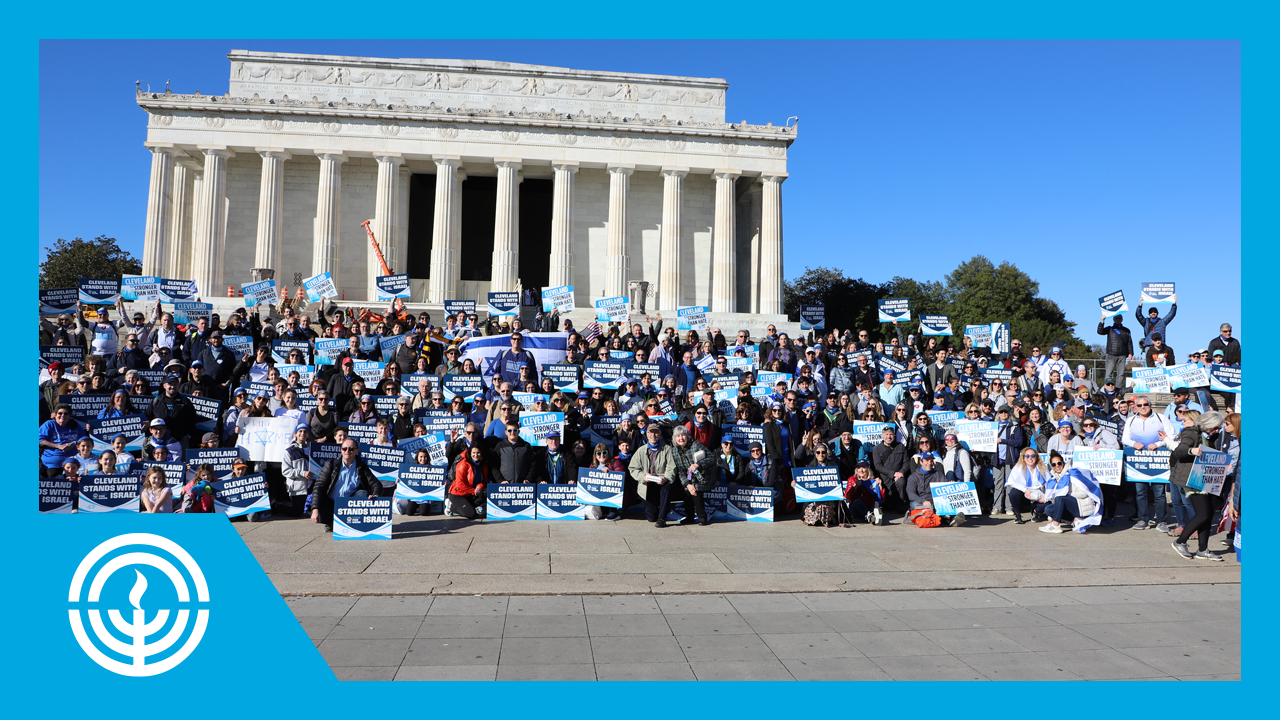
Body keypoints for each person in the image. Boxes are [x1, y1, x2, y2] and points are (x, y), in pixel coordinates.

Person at [1169, 410, 1224, 562]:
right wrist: (1190, 450)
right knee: (1203, 514)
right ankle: (1180, 541)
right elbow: (1179, 451)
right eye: (1216, 427)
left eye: (1219, 428)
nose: (1217, 430)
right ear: (1208, 424)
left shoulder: (1211, 436)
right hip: (1192, 478)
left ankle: (1202, 549)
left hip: (1207, 478)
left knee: (1209, 514)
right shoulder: (1191, 433)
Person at [1121, 393, 1177, 531]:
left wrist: (1158, 444)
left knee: (1159, 493)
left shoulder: (1161, 418)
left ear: (1150, 405)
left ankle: (1161, 521)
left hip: (1157, 460)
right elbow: (1124, 439)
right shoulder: (1131, 420)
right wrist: (1134, 443)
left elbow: (1172, 435)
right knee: (1140, 492)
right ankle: (1143, 519)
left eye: (1145, 404)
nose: (1143, 407)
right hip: (1139, 461)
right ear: (1136, 407)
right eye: (1139, 405)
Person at [309, 438, 383, 532]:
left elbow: (376, 484)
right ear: (341, 450)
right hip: (331, 501)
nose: (347, 451)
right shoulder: (331, 464)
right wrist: (315, 509)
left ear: (357, 451)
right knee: (322, 515)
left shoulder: (362, 466)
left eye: (351, 449)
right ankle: (331, 522)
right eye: (344, 448)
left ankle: (351, 523)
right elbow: (318, 486)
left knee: (363, 494)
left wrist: (375, 495)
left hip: (350, 503)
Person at [630, 423, 679, 527]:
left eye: (656, 432)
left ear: (660, 434)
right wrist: (642, 476)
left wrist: (665, 477)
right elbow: (633, 468)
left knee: (668, 486)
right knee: (651, 518)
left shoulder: (667, 449)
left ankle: (662, 518)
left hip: (662, 482)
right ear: (647, 434)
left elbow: (672, 467)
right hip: (647, 484)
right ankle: (659, 511)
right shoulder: (641, 450)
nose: (653, 435)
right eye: (651, 432)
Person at [1038, 459, 1104, 534]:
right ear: (1051, 467)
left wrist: (1067, 495)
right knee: (1048, 509)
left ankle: (1056, 525)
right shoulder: (1054, 479)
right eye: (1054, 465)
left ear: (1063, 463)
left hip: (1082, 506)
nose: (1057, 466)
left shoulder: (1073, 474)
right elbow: (1055, 501)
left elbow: (1084, 493)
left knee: (1061, 497)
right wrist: (1050, 518)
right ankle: (1075, 519)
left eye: (1059, 463)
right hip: (1072, 507)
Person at [906, 452, 965, 527]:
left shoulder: (938, 474)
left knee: (949, 502)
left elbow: (945, 487)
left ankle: (951, 518)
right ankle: (937, 518)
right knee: (915, 505)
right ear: (921, 462)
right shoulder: (913, 477)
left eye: (931, 461)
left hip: (936, 502)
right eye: (927, 460)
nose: (929, 463)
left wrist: (951, 485)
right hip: (920, 502)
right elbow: (911, 494)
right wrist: (923, 501)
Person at [39, 403, 87, 477]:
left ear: (70, 416)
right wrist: (58, 446)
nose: (63, 415)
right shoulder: (49, 424)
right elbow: (40, 441)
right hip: (53, 464)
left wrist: (74, 443)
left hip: (73, 463)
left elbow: (84, 440)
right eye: (60, 413)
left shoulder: (75, 425)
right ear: (55, 415)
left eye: (66, 413)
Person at [448, 444, 489, 520]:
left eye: (478, 452)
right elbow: (460, 484)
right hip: (458, 494)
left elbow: (484, 481)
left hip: (470, 494)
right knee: (472, 514)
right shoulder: (463, 464)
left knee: (487, 492)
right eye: (473, 452)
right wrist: (474, 491)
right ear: (470, 453)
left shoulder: (483, 465)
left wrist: (480, 486)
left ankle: (467, 507)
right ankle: (451, 506)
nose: (476, 455)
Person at [1096, 314, 1134, 383]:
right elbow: (1100, 332)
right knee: (1109, 373)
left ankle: (1118, 390)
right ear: (1113, 319)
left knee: (1121, 374)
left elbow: (1129, 342)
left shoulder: (1127, 330)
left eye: (1119, 318)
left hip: (1122, 355)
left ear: (1122, 319)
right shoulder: (1110, 329)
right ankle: (1108, 389)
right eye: (1116, 318)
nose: (1118, 319)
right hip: (1111, 354)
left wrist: (1130, 353)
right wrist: (1102, 322)